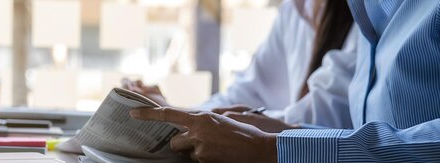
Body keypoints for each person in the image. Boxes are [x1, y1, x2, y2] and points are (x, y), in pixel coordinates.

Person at [130, 0, 440, 163]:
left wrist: (271, 149)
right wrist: (188, 116)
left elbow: (329, 110)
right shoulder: (366, 12)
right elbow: (250, 89)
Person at [123, 0, 357, 129]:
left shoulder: (367, 16)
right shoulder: (295, 10)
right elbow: (247, 91)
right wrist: (177, 114)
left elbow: (325, 118)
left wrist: (186, 118)